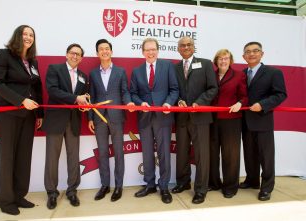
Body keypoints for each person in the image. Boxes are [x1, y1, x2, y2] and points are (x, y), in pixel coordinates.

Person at [0, 25, 43, 215]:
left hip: (29, 116)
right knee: (8, 157)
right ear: (17, 36)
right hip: (9, 114)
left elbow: (37, 89)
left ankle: (19, 195)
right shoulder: (3, 54)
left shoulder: (33, 62)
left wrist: (40, 115)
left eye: (31, 35)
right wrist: (21, 100)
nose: (28, 37)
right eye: (25, 34)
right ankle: (6, 201)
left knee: (24, 157)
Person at [130, 38, 179, 204]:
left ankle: (164, 186)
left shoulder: (167, 66)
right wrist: (139, 103)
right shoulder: (136, 71)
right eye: (147, 50)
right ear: (142, 52)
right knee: (147, 153)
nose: (150, 52)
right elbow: (133, 93)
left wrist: (168, 103)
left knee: (164, 152)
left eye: (153, 49)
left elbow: (174, 89)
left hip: (163, 116)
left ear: (158, 50)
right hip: (144, 117)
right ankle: (150, 184)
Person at [42, 43, 89, 209]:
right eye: (72, 53)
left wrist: (84, 103)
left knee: (73, 157)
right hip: (56, 120)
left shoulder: (84, 76)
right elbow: (53, 91)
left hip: (74, 121)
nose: (75, 56)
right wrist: (76, 99)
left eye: (78, 54)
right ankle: (51, 193)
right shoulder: (54, 69)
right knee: (52, 158)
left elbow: (84, 98)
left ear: (82, 58)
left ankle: (72, 191)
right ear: (66, 54)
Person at [172, 36, 218, 204]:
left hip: (200, 117)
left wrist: (199, 102)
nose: (186, 47)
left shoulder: (205, 64)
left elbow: (213, 88)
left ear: (193, 47)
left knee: (201, 155)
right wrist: (179, 101)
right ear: (178, 49)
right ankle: (183, 183)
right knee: (182, 152)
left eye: (189, 44)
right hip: (182, 116)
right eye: (182, 45)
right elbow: (174, 89)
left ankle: (200, 189)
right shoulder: (175, 68)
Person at [88, 39, 134, 202]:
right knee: (102, 153)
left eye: (107, 49)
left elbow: (125, 91)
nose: (104, 51)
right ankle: (105, 185)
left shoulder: (120, 72)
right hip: (99, 118)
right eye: (101, 49)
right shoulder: (93, 74)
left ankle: (119, 186)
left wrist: (128, 102)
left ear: (111, 52)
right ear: (97, 53)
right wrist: (90, 117)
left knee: (119, 152)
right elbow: (91, 97)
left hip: (116, 117)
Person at [240, 42, 287, 201]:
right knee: (249, 153)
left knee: (266, 156)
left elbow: (280, 94)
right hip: (245, 121)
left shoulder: (274, 72)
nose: (251, 54)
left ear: (262, 54)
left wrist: (263, 105)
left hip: (263, 120)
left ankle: (266, 187)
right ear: (243, 56)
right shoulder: (242, 73)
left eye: (255, 51)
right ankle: (251, 180)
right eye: (248, 52)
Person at [208, 49, 248, 198]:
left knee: (230, 154)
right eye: (220, 58)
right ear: (216, 61)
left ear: (230, 60)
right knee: (212, 153)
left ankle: (231, 186)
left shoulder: (239, 75)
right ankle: (213, 183)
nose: (223, 61)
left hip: (231, 120)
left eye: (226, 58)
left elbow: (245, 96)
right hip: (212, 119)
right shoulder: (210, 75)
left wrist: (240, 103)